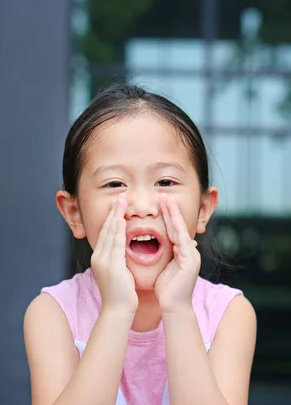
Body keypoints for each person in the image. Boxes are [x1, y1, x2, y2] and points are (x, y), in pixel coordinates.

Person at [23, 83, 257, 405]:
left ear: (203, 209)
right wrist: (116, 309)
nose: (142, 204)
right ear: (74, 213)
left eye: (165, 182)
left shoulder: (228, 314)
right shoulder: (53, 313)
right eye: (114, 183)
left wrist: (178, 310)